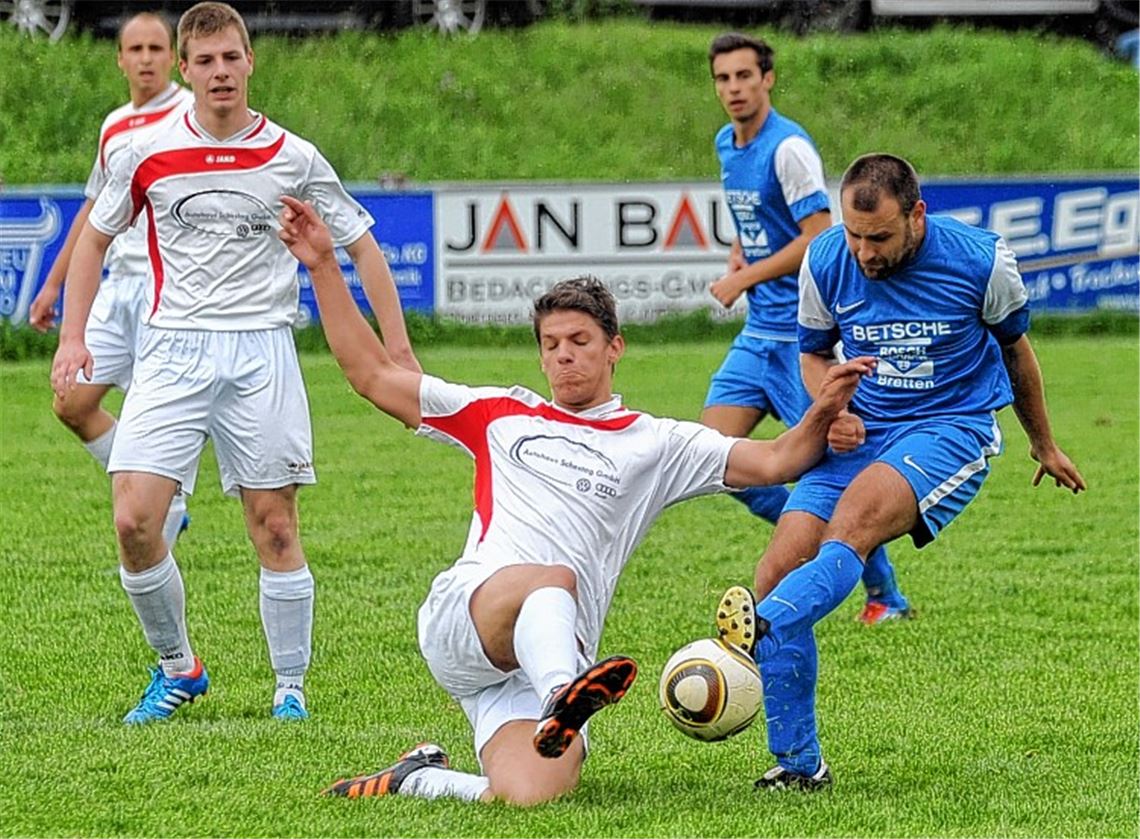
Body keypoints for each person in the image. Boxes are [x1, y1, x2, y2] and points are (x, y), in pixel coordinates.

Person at [275, 195, 877, 806]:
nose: (563, 354)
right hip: (469, 617)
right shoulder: (500, 414)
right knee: (552, 579)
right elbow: (371, 376)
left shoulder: (656, 442)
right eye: (551, 343)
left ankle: (419, 776)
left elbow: (777, 461)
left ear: (614, 347)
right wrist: (324, 263)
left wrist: (824, 409)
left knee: (529, 796)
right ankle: (565, 692)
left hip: (533, 662)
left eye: (580, 340)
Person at [50, 1, 420, 724]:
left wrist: (399, 349)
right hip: (172, 345)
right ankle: (178, 667)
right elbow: (92, 240)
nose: (220, 72)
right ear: (186, 71)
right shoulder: (144, 150)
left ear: (250, 62)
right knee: (134, 519)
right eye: (206, 61)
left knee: (275, 524)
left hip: (261, 348)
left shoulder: (293, 155)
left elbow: (364, 244)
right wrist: (74, 336)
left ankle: (290, 690)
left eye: (231, 58)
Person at [714, 152, 1086, 790]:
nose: (864, 253)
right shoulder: (826, 259)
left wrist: (1043, 444)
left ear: (917, 215)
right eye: (855, 236)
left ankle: (763, 626)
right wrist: (833, 408)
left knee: (851, 525)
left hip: (951, 426)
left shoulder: (981, 260)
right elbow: (811, 356)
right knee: (777, 567)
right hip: (865, 431)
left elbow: (1017, 352)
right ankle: (801, 767)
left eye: (879, 237)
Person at [702, 32, 909, 624]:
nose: (735, 89)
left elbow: (819, 235)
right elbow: (750, 215)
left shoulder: (788, 148)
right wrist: (738, 259)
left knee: (834, 467)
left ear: (767, 79)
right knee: (721, 462)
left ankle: (885, 595)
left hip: (800, 335)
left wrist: (745, 281)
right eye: (724, 79)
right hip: (756, 337)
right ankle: (811, 522)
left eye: (745, 76)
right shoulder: (727, 143)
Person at [29, 11, 193, 549]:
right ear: (120, 59)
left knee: (156, 418)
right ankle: (170, 497)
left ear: (173, 57)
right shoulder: (114, 125)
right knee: (72, 401)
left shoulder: (190, 114)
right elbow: (95, 213)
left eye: (156, 48)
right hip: (116, 286)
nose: (146, 58)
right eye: (136, 49)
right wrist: (53, 285)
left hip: (166, 289)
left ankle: (158, 499)